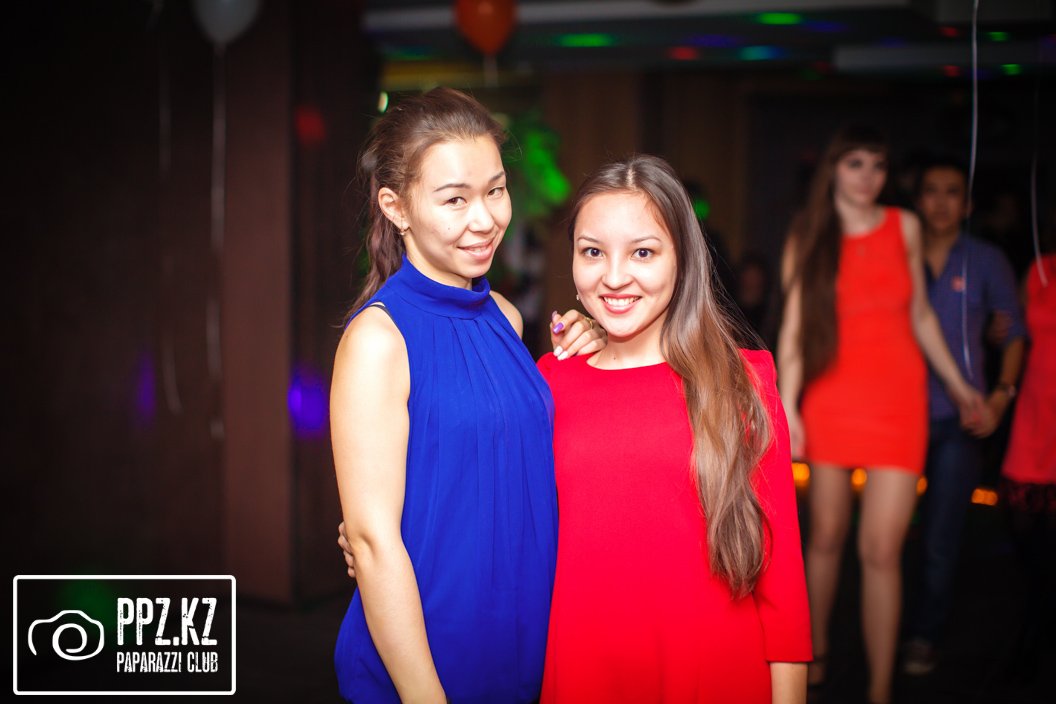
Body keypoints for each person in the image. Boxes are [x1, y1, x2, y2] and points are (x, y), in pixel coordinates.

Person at [331, 86, 601, 703]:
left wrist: (594, 348)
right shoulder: (378, 340)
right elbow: (373, 544)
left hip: (521, 647)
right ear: (396, 207)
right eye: (455, 199)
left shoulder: (506, 317)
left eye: (495, 191)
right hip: (426, 661)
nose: (485, 220)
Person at [539, 155, 810, 703]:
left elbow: (781, 581)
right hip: (584, 673)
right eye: (593, 251)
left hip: (712, 675)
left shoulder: (740, 382)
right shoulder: (547, 383)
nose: (615, 276)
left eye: (643, 252)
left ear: (683, 259)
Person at [776, 126, 982, 704]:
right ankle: (814, 658)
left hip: (898, 402)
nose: (868, 177)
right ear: (834, 170)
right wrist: (788, 405)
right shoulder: (809, 233)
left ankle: (882, 687)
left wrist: (961, 387)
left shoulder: (904, 225)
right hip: (831, 398)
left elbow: (921, 315)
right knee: (826, 537)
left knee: (882, 551)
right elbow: (794, 329)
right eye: (855, 164)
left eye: (878, 165)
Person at [902, 157, 1025, 675]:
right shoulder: (898, 252)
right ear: (918, 200)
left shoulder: (986, 259)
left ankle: (924, 636)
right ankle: (883, 628)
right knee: (887, 536)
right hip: (897, 414)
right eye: (931, 190)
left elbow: (1014, 334)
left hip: (960, 415)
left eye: (952, 191)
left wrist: (1000, 397)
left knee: (941, 534)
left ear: (968, 203)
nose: (941, 201)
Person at [999, 251, 1056, 683]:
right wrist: (998, 332)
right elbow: (1015, 332)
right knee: (1022, 528)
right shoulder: (1038, 269)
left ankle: (1031, 637)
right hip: (1036, 412)